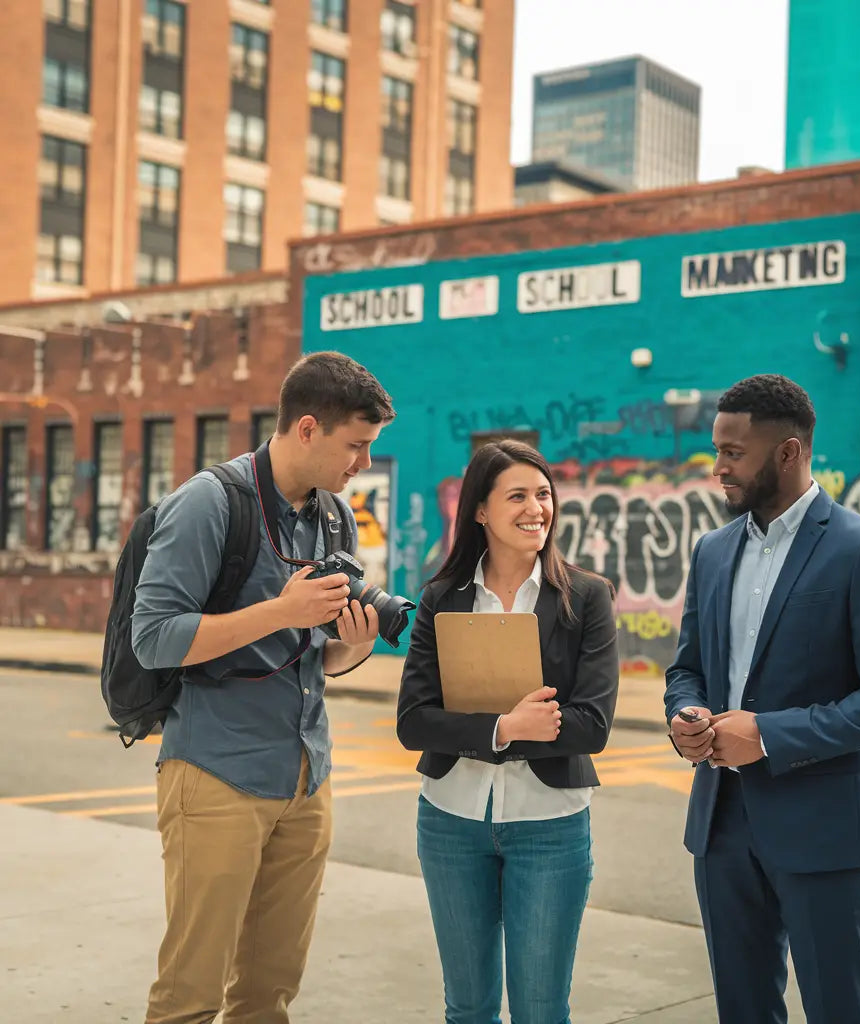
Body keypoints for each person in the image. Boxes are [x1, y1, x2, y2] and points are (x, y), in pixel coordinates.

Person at [133, 351, 395, 1024]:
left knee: (268, 994)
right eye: (356, 446)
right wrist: (280, 611)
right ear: (308, 428)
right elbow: (154, 637)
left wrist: (355, 642)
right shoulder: (210, 503)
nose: (362, 463)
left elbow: (317, 658)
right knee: (190, 993)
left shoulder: (334, 518)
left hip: (307, 779)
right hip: (216, 772)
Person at [664, 374, 860, 1024]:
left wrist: (771, 734)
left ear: (788, 453)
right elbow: (688, 667)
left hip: (822, 830)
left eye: (734, 452)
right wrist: (686, 716)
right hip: (721, 826)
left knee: (837, 1008)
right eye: (717, 450)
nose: (718, 467)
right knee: (743, 1010)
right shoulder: (712, 551)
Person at [397, 440, 619, 1024]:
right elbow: (413, 720)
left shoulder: (587, 598)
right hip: (450, 822)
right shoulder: (442, 598)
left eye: (543, 494)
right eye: (517, 495)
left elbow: (591, 726)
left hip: (551, 827)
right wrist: (504, 727)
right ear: (480, 511)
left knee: (541, 1011)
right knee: (467, 1009)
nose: (535, 508)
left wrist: (481, 729)